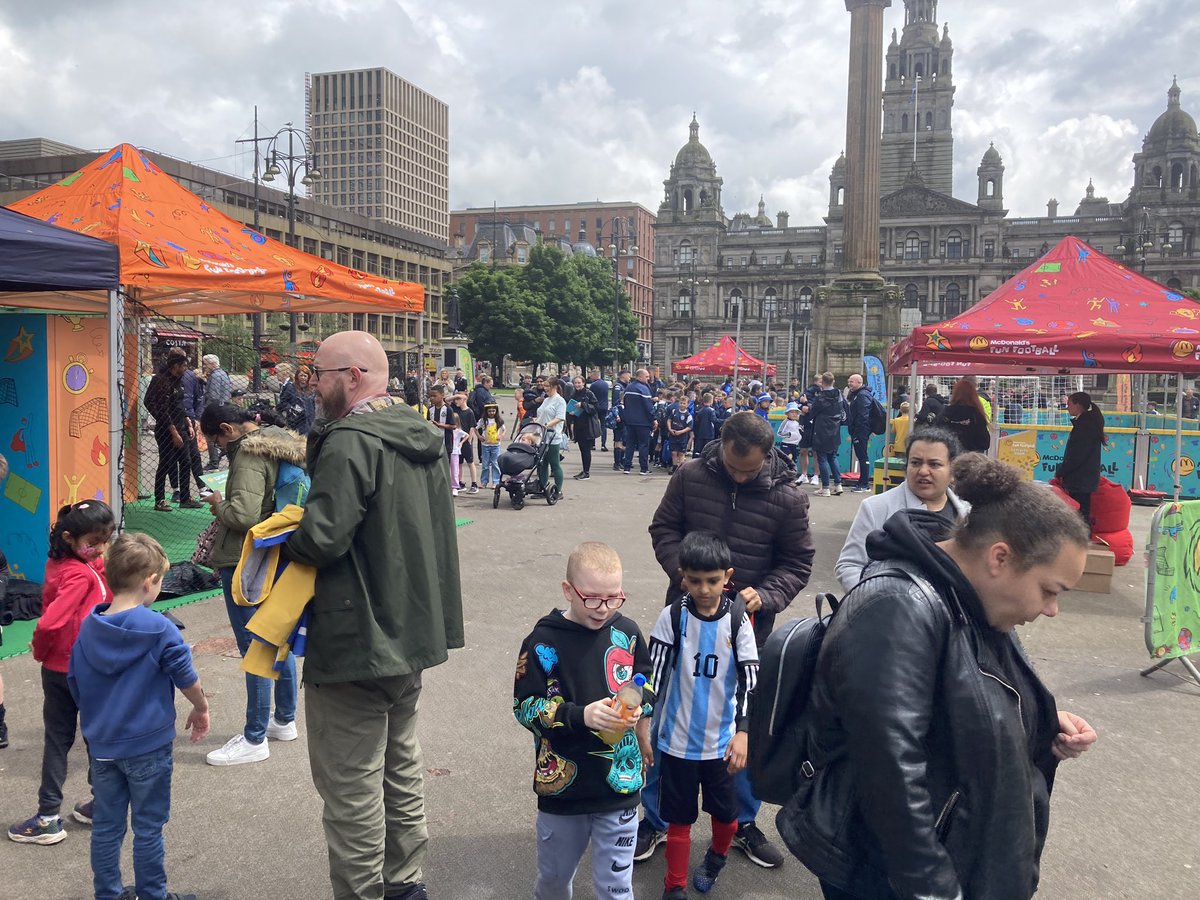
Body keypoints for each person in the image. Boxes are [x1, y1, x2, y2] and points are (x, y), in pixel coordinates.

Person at [778, 454, 1099, 900]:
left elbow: (967, 693)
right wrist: (933, 889)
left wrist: (1039, 723)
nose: (1051, 609)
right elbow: (889, 773)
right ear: (999, 557)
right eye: (1049, 590)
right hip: (887, 874)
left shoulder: (970, 597)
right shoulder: (897, 607)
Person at [283, 331, 464, 900]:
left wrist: (283, 532)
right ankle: (406, 883)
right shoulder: (420, 434)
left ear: (353, 375)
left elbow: (322, 539)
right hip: (410, 631)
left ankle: (363, 892)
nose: (312, 385)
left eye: (319, 373)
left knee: (351, 787)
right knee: (400, 767)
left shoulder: (349, 440)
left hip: (356, 635)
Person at [643, 411, 815, 869]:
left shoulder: (788, 497)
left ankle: (740, 821)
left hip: (745, 631)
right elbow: (663, 529)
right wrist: (685, 575)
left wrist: (770, 593)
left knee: (741, 725)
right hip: (683, 624)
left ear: (767, 456)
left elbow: (798, 562)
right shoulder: (690, 475)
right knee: (666, 716)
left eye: (750, 469)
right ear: (721, 445)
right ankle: (656, 818)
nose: (740, 474)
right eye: (733, 466)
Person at [69, 533, 209, 900]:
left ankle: (109, 894)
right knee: (148, 828)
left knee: (107, 828)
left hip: (103, 747)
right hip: (148, 745)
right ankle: (152, 894)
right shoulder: (158, 627)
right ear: (149, 582)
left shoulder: (88, 627)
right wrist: (201, 706)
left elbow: (74, 681)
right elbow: (185, 676)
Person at [513, 541, 655, 900]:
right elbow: (525, 706)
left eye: (613, 598)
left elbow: (646, 681)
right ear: (568, 590)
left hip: (619, 788)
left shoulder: (629, 632)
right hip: (563, 790)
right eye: (592, 598)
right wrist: (580, 716)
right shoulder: (543, 640)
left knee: (616, 887)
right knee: (554, 881)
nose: (603, 609)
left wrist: (640, 708)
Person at [647, 532, 760, 898]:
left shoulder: (738, 620)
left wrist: (743, 731)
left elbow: (750, 680)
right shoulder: (673, 616)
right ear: (683, 578)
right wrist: (643, 721)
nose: (705, 589)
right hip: (678, 742)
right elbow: (654, 675)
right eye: (695, 581)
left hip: (721, 744)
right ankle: (674, 885)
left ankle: (716, 857)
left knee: (726, 818)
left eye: (713, 580)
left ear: (727, 576)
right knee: (679, 822)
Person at [198, 404, 305, 767]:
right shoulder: (279, 441)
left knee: (255, 647)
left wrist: (218, 504)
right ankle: (284, 719)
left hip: (246, 557)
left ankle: (254, 736)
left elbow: (243, 514)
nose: (216, 446)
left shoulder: (247, 452)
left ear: (226, 428)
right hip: (277, 553)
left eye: (215, 439)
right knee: (276, 638)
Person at [9, 500, 116, 845]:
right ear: (69, 538)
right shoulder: (79, 576)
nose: (100, 549)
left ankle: (49, 818)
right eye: (94, 542)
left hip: (65, 667)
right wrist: (41, 647)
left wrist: (43, 653)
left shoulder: (66, 565)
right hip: (77, 668)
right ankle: (90, 807)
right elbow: (51, 621)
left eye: (106, 540)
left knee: (61, 739)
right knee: (90, 737)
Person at [835, 427, 970, 592]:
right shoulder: (876, 507)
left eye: (934, 464)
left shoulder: (968, 513)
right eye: (916, 462)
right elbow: (849, 565)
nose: (923, 471)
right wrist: (877, 600)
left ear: (953, 470)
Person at [145, 349, 202, 512]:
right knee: (166, 463)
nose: (185, 369)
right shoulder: (161, 381)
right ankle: (160, 500)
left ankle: (185, 498)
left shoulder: (178, 380)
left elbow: (178, 405)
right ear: (175, 365)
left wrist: (187, 422)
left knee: (186, 461)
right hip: (166, 430)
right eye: (183, 365)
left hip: (180, 426)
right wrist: (173, 432)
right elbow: (160, 408)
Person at [1057, 391, 1107, 526]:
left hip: (1080, 478)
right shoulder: (1086, 423)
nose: (1067, 407)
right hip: (1083, 478)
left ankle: (1081, 541)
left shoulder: (1084, 426)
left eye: (1069, 404)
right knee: (1081, 511)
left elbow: (1077, 455)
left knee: (1079, 513)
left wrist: (1062, 471)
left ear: (1078, 405)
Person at [810, 372, 846, 497]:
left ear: (822, 382)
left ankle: (825, 488)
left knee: (822, 458)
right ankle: (838, 484)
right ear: (833, 381)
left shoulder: (820, 397)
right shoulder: (839, 395)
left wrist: (806, 408)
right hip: (835, 428)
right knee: (833, 456)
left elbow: (812, 412)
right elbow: (843, 410)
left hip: (821, 429)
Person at [937, 378, 991, 453]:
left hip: (949, 456)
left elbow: (936, 436)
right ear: (973, 394)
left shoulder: (945, 412)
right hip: (971, 458)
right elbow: (985, 443)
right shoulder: (976, 414)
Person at [536, 375, 567, 496]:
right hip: (541, 436)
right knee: (542, 463)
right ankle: (543, 488)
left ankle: (558, 490)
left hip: (553, 436)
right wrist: (535, 423)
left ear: (554, 386)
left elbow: (560, 418)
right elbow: (541, 414)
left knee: (554, 464)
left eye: (547, 386)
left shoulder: (560, 401)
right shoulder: (546, 399)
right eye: (544, 386)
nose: (544, 388)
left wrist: (547, 425)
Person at [201, 354, 232, 470]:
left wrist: (207, 411)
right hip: (224, 408)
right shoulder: (223, 374)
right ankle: (230, 459)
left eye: (206, 363)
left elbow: (213, 396)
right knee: (224, 435)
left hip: (215, 410)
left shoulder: (214, 376)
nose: (205, 366)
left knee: (211, 436)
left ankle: (214, 462)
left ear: (211, 364)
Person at [622, 368, 655, 476]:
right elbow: (648, 407)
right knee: (643, 445)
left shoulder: (628, 388)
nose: (648, 378)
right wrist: (653, 419)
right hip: (643, 422)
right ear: (640, 376)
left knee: (630, 444)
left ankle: (627, 467)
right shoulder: (644, 389)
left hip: (630, 421)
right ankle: (643, 468)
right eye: (646, 377)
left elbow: (625, 404)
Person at [845, 373, 875, 493]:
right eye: (849, 381)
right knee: (861, 456)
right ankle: (862, 482)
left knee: (863, 456)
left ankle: (864, 484)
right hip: (858, 430)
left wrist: (858, 430)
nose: (849, 384)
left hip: (861, 431)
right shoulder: (858, 395)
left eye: (852, 381)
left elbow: (863, 415)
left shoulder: (862, 395)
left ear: (859, 382)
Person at [568, 375, 601, 480]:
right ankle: (584, 470)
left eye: (579, 383)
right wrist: (571, 413)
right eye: (575, 383)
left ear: (583, 383)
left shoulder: (588, 393)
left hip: (587, 425)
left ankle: (586, 472)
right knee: (582, 449)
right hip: (578, 424)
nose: (577, 385)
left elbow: (595, 408)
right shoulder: (573, 393)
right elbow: (571, 406)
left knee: (586, 449)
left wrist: (583, 404)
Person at [452, 392, 480, 493]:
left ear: (464, 400)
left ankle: (474, 483)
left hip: (466, 440)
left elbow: (472, 426)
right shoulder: (456, 410)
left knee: (470, 462)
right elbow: (446, 400)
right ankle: (460, 482)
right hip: (457, 441)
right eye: (455, 399)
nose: (456, 401)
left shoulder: (469, 412)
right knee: (458, 463)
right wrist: (456, 396)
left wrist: (470, 438)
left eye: (458, 399)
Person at [478, 402, 505, 489]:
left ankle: (495, 481)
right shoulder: (483, 420)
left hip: (495, 445)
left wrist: (501, 435)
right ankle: (484, 481)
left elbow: (504, 429)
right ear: (486, 411)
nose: (491, 413)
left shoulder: (498, 420)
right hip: (485, 445)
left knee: (495, 463)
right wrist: (479, 436)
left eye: (493, 411)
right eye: (489, 411)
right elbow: (475, 428)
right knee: (485, 464)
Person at [665, 389, 693, 473]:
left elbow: (689, 427)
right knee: (673, 452)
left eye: (684, 403)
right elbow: (669, 420)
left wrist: (681, 432)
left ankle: (681, 468)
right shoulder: (674, 412)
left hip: (682, 436)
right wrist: (670, 429)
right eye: (681, 403)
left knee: (681, 453)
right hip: (673, 435)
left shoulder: (688, 415)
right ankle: (674, 466)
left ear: (687, 405)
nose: (682, 405)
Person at [589, 368, 611, 451]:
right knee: (603, 426)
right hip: (604, 407)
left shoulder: (593, 385)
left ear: (595, 375)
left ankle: (593, 444)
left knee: (594, 425)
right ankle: (603, 444)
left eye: (591, 375)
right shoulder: (605, 384)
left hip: (595, 407)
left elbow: (590, 396)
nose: (590, 377)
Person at [778, 402, 802, 477]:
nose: (794, 414)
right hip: (786, 444)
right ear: (787, 413)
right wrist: (789, 434)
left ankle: (791, 475)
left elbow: (799, 432)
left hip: (794, 445)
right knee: (786, 460)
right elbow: (779, 433)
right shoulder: (785, 422)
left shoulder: (797, 423)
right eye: (792, 412)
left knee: (794, 461)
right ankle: (783, 474)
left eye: (796, 412)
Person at [693, 391, 717, 458]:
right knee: (707, 448)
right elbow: (714, 420)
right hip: (709, 433)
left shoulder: (699, 410)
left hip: (700, 432)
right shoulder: (711, 410)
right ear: (711, 401)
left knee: (699, 448)